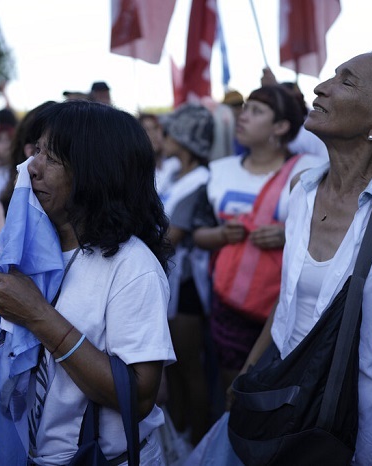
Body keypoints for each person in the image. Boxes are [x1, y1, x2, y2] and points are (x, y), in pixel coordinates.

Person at [222, 48, 372, 465]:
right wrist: (249, 370)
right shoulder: (302, 190)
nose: (320, 88)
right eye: (332, 75)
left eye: (346, 82)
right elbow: (288, 300)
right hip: (292, 421)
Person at [0, 100, 176, 464]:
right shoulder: (37, 245)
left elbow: (139, 396)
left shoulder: (132, 266)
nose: (31, 168)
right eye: (36, 151)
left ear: (95, 174)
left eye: (51, 158)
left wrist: (38, 315)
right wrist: (15, 249)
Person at [193, 85, 324, 399]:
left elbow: (329, 230)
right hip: (230, 304)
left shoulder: (310, 170)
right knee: (234, 389)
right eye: (245, 108)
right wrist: (222, 235)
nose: (243, 117)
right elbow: (198, 233)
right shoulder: (219, 171)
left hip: (290, 304)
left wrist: (286, 235)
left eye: (256, 111)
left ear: (281, 126)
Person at [159, 103, 214, 446]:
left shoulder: (200, 181)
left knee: (190, 367)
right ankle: (180, 434)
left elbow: (171, 237)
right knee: (173, 368)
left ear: (184, 139)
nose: (162, 139)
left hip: (186, 287)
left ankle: (199, 441)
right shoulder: (174, 174)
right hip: (170, 282)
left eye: (168, 133)